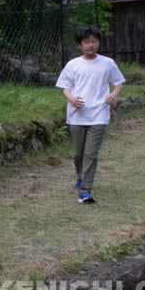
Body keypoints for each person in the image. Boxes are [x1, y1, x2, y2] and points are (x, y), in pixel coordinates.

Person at [55, 25, 125, 204]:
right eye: (87, 42)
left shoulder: (107, 63)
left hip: (99, 114)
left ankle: (85, 191)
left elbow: (118, 83)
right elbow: (65, 87)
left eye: (94, 41)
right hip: (77, 115)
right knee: (78, 154)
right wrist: (71, 99)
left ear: (99, 43)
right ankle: (80, 177)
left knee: (90, 154)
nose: (91, 45)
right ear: (80, 44)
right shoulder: (73, 64)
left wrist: (113, 95)